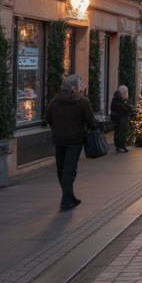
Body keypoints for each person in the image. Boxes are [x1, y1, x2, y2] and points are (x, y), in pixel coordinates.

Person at [45, 74, 96, 211]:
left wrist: (57, 128)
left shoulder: (55, 101)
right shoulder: (82, 101)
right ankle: (66, 201)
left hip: (59, 139)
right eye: (79, 85)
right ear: (74, 87)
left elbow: (48, 117)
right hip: (75, 140)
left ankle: (70, 197)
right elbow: (90, 121)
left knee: (61, 169)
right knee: (70, 170)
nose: (81, 87)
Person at [109, 85, 134, 153]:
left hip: (121, 119)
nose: (127, 94)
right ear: (123, 93)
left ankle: (121, 146)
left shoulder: (118, 99)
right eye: (126, 93)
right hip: (120, 119)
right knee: (121, 133)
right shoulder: (118, 100)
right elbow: (123, 108)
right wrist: (128, 108)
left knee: (122, 132)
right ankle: (121, 146)